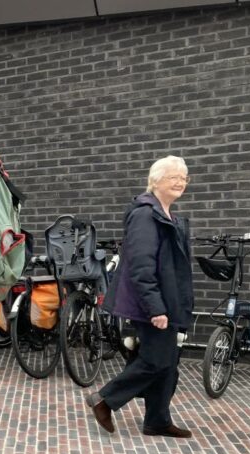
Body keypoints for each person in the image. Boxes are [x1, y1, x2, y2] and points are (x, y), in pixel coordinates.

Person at [87, 155, 194, 438]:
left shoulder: (167, 214)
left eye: (184, 178)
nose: (180, 182)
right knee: (156, 360)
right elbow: (141, 265)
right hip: (152, 304)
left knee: (167, 362)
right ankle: (104, 399)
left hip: (168, 302)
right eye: (174, 177)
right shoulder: (146, 214)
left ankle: (157, 420)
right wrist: (155, 308)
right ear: (156, 180)